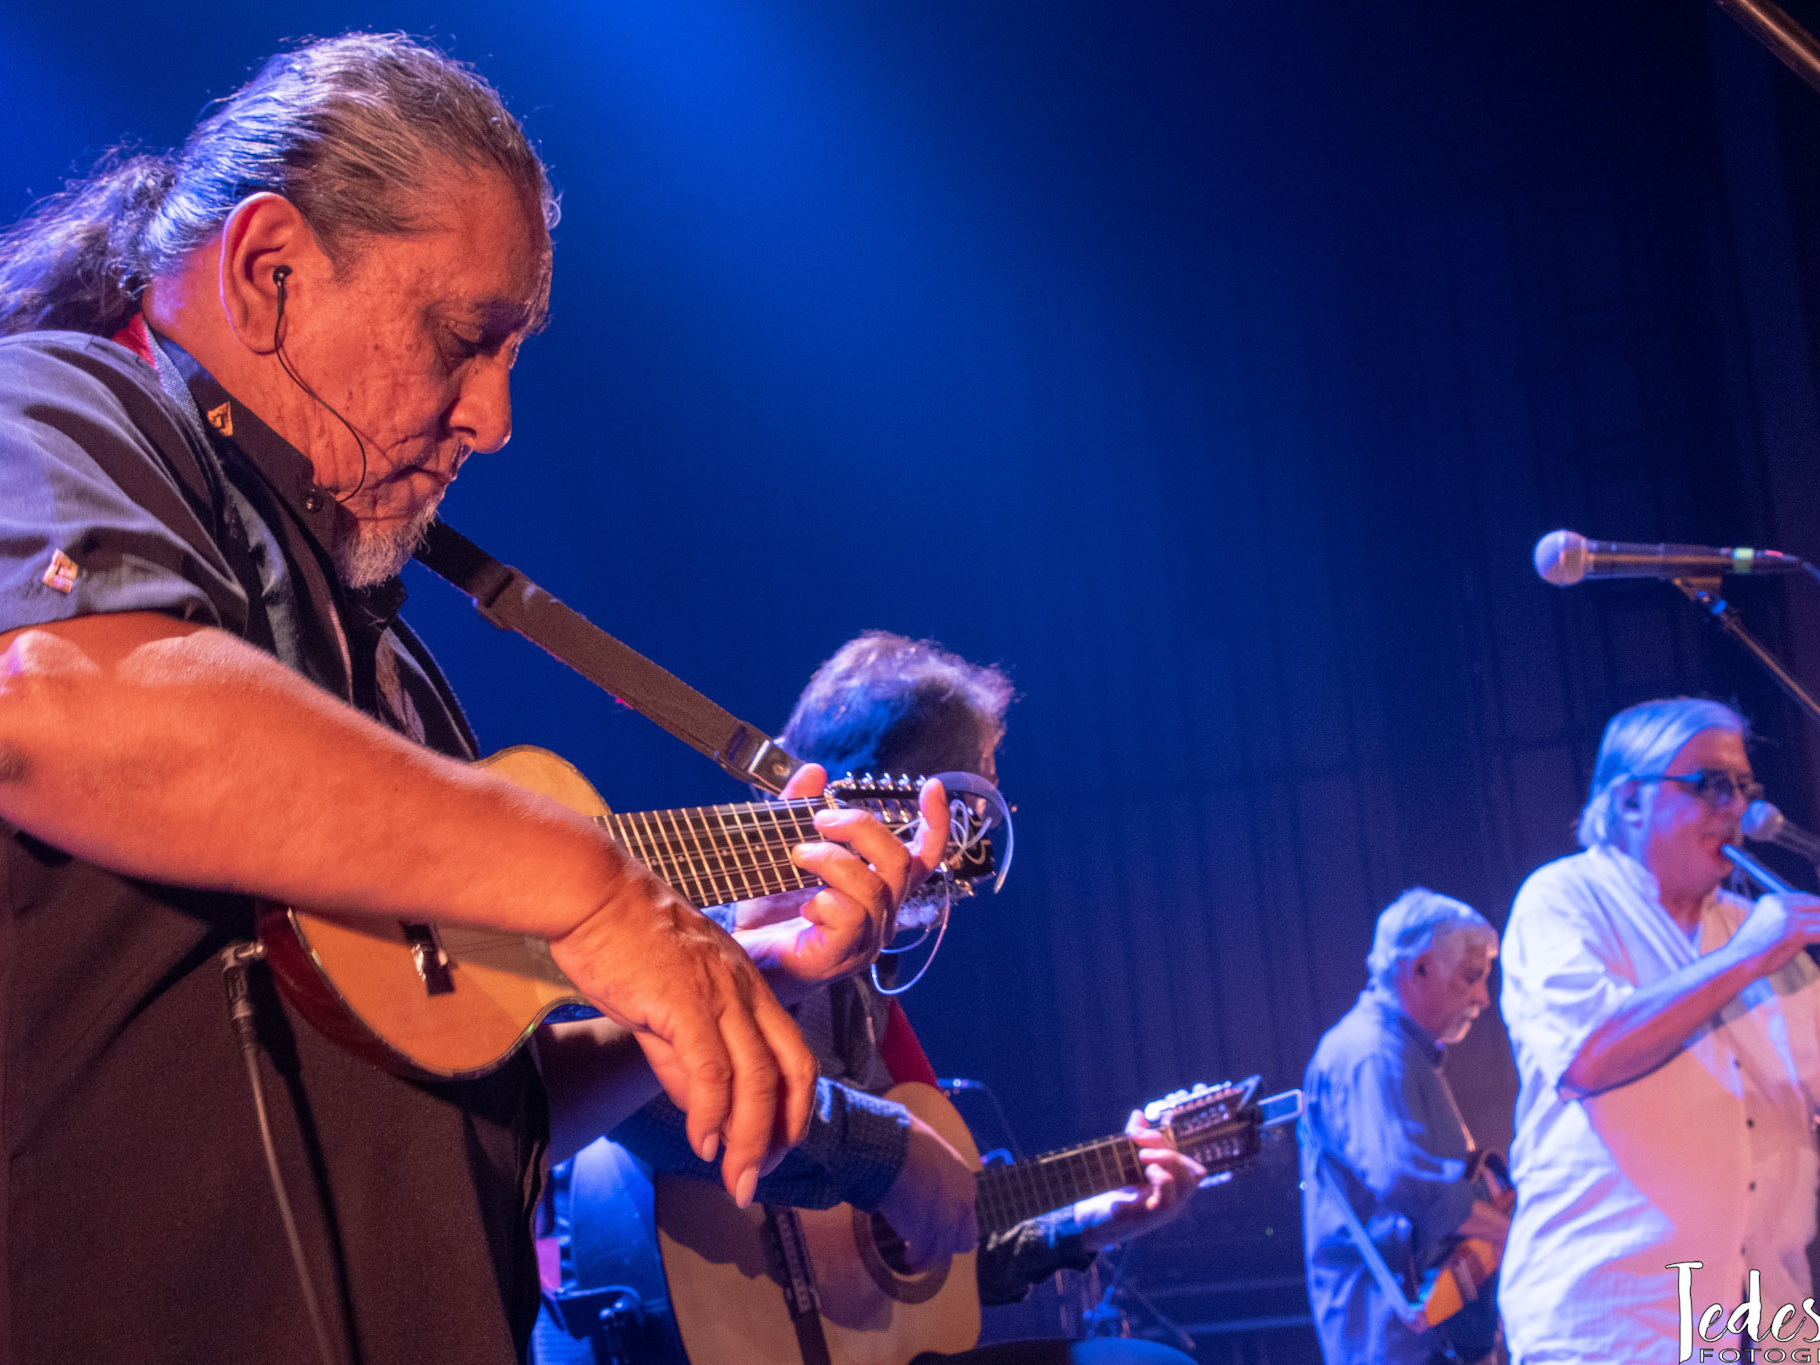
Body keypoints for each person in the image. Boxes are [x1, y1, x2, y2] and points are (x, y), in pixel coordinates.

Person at [0, 37, 941, 1364]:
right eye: (463, 340)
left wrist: (736, 967)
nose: (493, 418)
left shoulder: (386, 666)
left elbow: (478, 1107)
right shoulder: (56, 412)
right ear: (267, 269)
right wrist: (594, 890)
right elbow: (66, 699)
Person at [549, 631, 1205, 1365]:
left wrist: (1088, 1222)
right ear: (896, 798)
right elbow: (628, 1094)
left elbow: (914, 1237)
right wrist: (883, 1148)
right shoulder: (700, 914)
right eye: (972, 806)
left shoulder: (863, 984)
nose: (978, 842)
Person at [1498, 697, 1820, 1362]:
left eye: (1744, 786)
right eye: (1711, 784)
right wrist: (1744, 959)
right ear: (1630, 800)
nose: (1738, 808)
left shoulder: (1750, 925)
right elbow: (1589, 1055)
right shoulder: (1563, 898)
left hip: (1772, 1321)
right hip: (1616, 1323)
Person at [1299, 888, 1509, 1365]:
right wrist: (1514, 1235)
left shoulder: (1397, 1051)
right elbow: (1406, 1181)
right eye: (1471, 977)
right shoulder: (1370, 1054)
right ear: (1421, 968)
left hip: (1424, 1336)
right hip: (1400, 1342)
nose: (1483, 998)